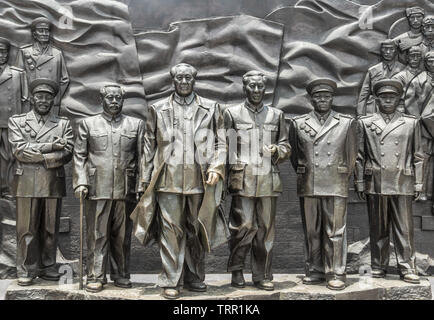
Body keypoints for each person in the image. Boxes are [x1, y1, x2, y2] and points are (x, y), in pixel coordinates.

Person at [131, 63, 227, 299]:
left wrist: (216, 167)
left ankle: (194, 277)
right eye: (179, 78)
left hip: (200, 180)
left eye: (188, 78)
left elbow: (222, 143)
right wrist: (143, 182)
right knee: (170, 231)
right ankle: (171, 280)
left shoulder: (211, 108)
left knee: (196, 229)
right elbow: (148, 148)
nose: (184, 82)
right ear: (173, 81)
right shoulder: (158, 109)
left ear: (194, 80)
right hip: (167, 180)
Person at [73, 84, 144, 293]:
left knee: (122, 235)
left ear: (123, 101)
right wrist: (80, 181)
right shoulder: (88, 124)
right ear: (102, 100)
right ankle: (95, 275)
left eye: (117, 98)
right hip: (96, 188)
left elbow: (142, 157)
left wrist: (141, 184)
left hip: (126, 188)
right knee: (97, 234)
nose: (114, 102)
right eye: (110, 98)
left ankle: (121, 274)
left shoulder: (135, 124)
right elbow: (79, 156)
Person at [224, 70, 291, 291]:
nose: (255, 90)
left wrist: (277, 150)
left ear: (265, 89)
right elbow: (225, 148)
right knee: (242, 227)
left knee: (265, 231)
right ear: (244, 88)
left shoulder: (276, 115)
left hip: (268, 182)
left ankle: (262, 275)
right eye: (251, 86)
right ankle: (236, 271)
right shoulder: (231, 114)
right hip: (241, 180)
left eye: (259, 86)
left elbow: (285, 146)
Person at [289, 78, 357, 290]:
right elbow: (295, 156)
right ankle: (315, 269)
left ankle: (336, 271)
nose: (322, 100)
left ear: (332, 98)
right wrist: (307, 173)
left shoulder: (346, 122)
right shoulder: (298, 123)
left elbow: (352, 155)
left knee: (335, 231)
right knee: (312, 230)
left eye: (326, 96)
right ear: (311, 99)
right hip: (310, 182)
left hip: (336, 182)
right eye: (318, 96)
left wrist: (342, 175)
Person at [356, 79, 423, 284]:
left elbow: (418, 156)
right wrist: (359, 181)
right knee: (378, 227)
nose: (387, 101)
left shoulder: (411, 123)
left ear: (398, 99)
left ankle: (407, 267)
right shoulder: (365, 123)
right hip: (376, 179)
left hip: (402, 180)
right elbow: (359, 155)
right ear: (376, 99)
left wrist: (418, 183)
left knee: (404, 228)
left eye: (391, 97)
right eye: (383, 97)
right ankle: (378, 265)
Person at [8, 78, 73, 286]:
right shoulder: (17, 121)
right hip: (26, 182)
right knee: (26, 229)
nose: (44, 100)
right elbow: (19, 151)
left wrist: (41, 154)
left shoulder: (63, 124)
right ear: (32, 99)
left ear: (53, 100)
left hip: (53, 182)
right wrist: (50, 147)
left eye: (48, 97)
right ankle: (26, 269)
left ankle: (47, 266)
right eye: (40, 96)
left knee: (50, 228)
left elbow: (67, 153)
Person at [15, 17, 69, 113]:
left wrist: (55, 98)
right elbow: (17, 78)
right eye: (41, 31)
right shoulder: (24, 52)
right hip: (31, 100)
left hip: (50, 101)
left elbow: (64, 79)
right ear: (34, 34)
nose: (45, 34)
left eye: (47, 31)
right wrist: (26, 97)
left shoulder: (57, 53)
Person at [0, 37, 28, 198]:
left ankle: (7, 188)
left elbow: (26, 101)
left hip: (10, 122)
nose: (1, 55)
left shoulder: (17, 74)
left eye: (3, 51)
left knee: (11, 157)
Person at [404, 51, 434, 200]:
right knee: (423, 158)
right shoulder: (418, 80)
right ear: (425, 62)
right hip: (423, 128)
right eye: (430, 61)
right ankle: (420, 190)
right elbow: (409, 102)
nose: (433, 64)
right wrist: (419, 121)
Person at [357, 40, 405, 117]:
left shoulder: (403, 69)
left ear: (396, 51)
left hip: (397, 110)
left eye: (391, 49)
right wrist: (360, 114)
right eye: (385, 49)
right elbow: (363, 95)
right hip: (375, 110)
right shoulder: (372, 71)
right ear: (381, 51)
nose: (388, 52)